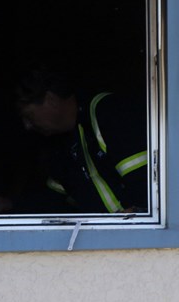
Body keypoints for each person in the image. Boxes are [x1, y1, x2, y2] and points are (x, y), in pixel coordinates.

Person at [8, 67, 150, 214]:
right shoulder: (60, 148)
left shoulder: (109, 113)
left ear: (50, 100)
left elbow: (148, 184)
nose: (27, 126)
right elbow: (49, 202)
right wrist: (9, 206)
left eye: (29, 116)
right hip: (111, 235)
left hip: (144, 234)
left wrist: (133, 219)